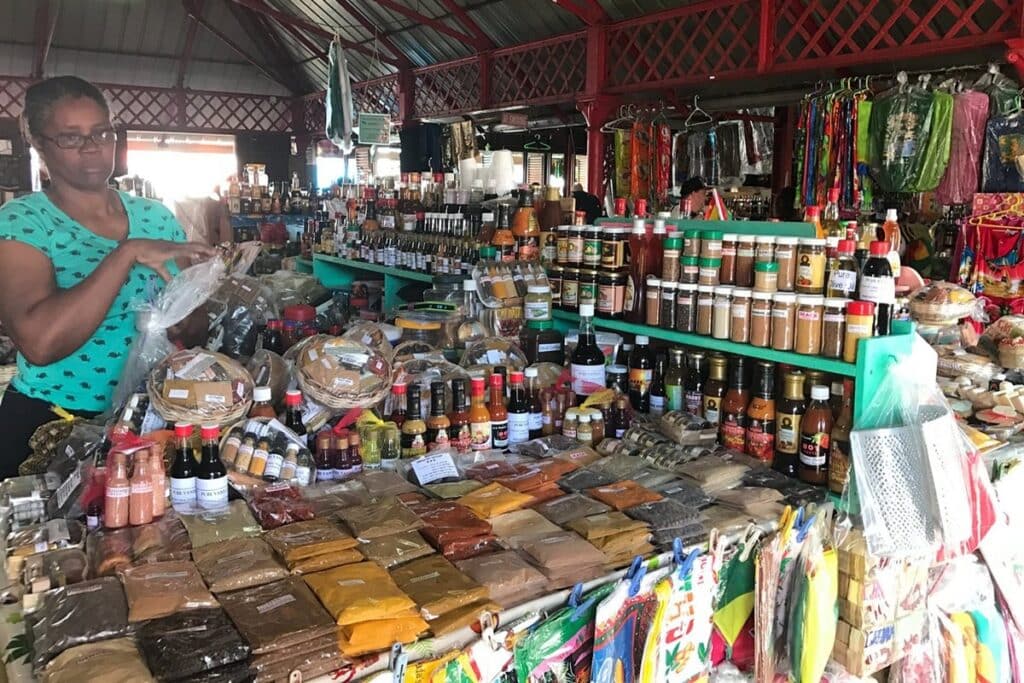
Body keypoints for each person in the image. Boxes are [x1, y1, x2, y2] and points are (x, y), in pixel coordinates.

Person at [0, 76, 214, 477]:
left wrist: (189, 309)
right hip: (52, 423)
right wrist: (127, 253)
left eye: (101, 131)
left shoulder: (155, 216)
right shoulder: (22, 222)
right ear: (40, 144)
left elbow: (194, 324)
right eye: (70, 137)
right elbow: (40, 343)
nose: (92, 144)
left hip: (146, 418)